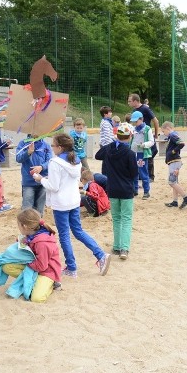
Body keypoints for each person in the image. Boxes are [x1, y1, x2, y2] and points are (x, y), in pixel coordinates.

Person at [34, 133, 109, 277]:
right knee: (78, 231)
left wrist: (40, 179)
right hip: (73, 200)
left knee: (64, 235)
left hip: (61, 203)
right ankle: (100, 255)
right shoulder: (76, 159)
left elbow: (54, 186)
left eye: (53, 145)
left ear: (60, 147)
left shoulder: (55, 162)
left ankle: (71, 266)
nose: (52, 148)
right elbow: (64, 179)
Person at [0, 208, 64, 300]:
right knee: (7, 267)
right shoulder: (32, 233)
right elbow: (30, 245)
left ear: (25, 226)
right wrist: (22, 242)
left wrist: (25, 262)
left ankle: (52, 284)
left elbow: (42, 266)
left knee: (37, 298)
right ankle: (34, 281)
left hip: (47, 271)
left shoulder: (42, 243)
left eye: (18, 225)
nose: (18, 228)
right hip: (36, 267)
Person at [95, 122, 138, 259]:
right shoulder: (130, 153)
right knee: (126, 218)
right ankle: (124, 248)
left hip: (112, 188)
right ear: (129, 136)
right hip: (126, 190)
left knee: (117, 219)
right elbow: (134, 173)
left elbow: (97, 155)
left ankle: (116, 246)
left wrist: (111, 144)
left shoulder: (109, 149)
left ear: (117, 135)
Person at [127, 93, 160, 180]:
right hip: (139, 136)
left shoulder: (145, 108)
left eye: (130, 101)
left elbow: (155, 121)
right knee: (140, 156)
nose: (128, 103)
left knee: (150, 154)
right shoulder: (134, 111)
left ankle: (150, 176)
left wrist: (156, 134)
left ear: (135, 101)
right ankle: (142, 175)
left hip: (147, 135)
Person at [15, 135, 51, 214]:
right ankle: (27, 224)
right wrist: (28, 152)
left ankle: (38, 224)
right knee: (27, 208)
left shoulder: (46, 145)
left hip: (43, 180)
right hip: (28, 182)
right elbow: (18, 158)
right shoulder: (23, 143)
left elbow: (50, 161)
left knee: (40, 208)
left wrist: (41, 167)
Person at [161, 121, 187, 209]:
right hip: (174, 162)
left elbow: (181, 143)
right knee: (175, 182)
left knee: (171, 182)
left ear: (167, 128)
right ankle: (175, 201)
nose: (164, 133)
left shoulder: (172, 135)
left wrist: (173, 151)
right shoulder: (172, 136)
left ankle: (186, 197)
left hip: (174, 161)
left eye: (163, 131)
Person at [130, 110, 155, 198]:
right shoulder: (133, 129)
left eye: (136, 121)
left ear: (142, 119)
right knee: (134, 172)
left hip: (142, 153)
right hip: (133, 153)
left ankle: (146, 191)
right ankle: (135, 190)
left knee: (143, 172)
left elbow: (152, 141)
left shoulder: (147, 128)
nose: (135, 123)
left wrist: (144, 145)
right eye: (134, 122)